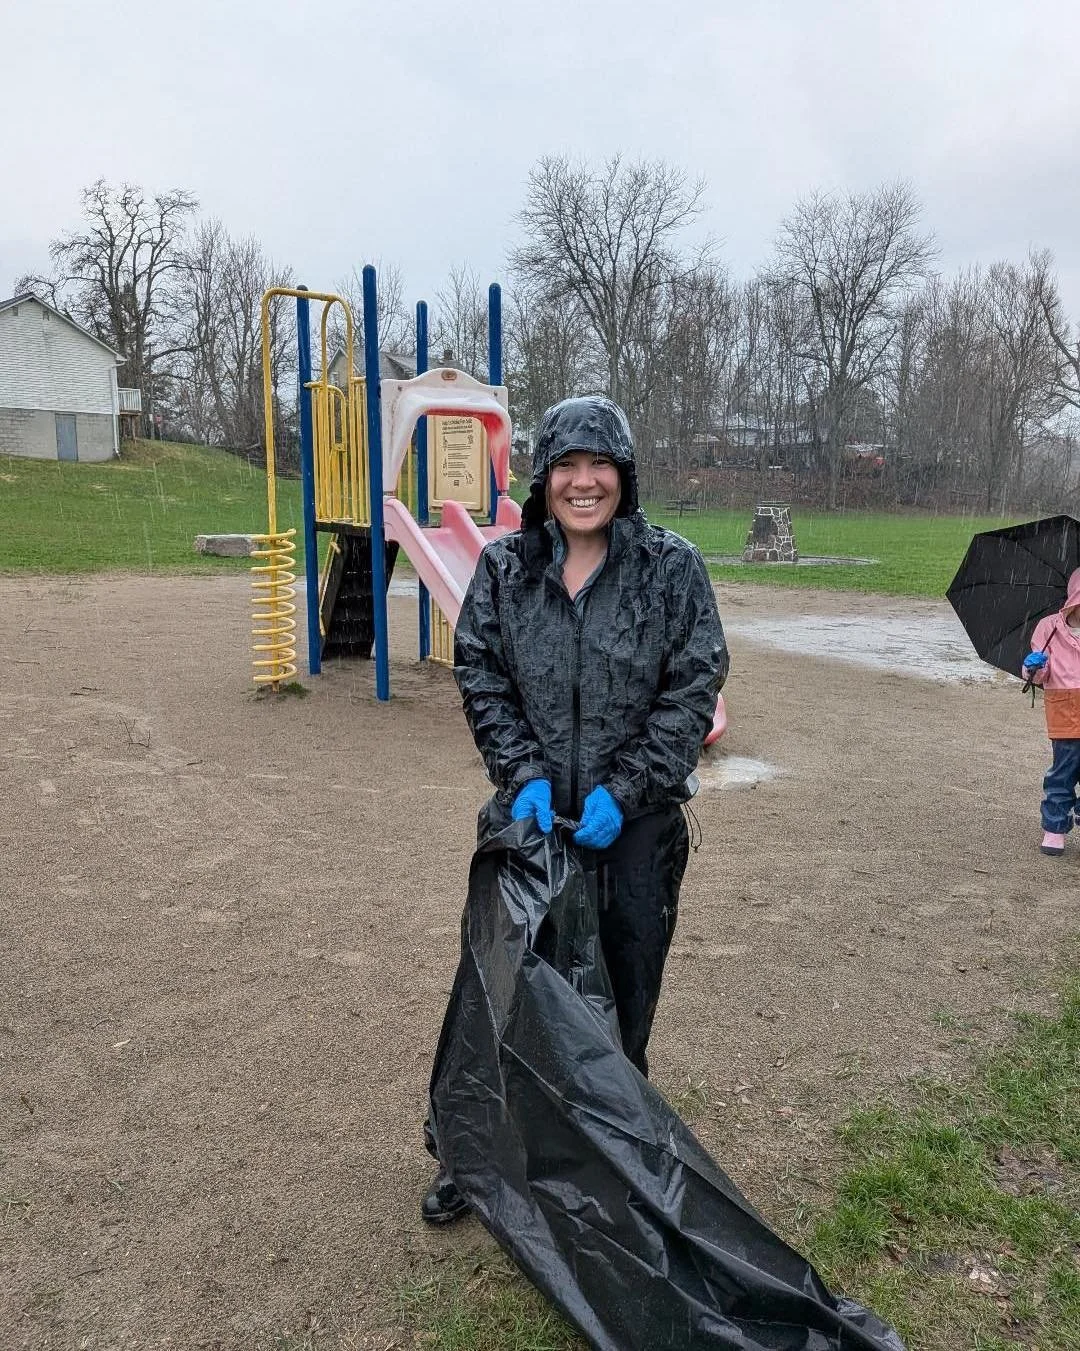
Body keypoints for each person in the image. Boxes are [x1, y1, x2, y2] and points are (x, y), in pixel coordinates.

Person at [421, 394, 729, 1224]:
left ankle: (616, 1157)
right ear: (544, 478)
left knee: (622, 1000)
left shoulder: (671, 569)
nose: (584, 482)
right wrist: (521, 770)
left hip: (634, 832)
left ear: (624, 476)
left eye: (600, 465)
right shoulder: (505, 569)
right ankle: (477, 1148)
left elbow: (693, 684)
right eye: (568, 465)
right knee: (505, 990)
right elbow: (479, 667)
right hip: (531, 827)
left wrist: (626, 788)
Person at [1022, 566, 1080, 856]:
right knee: (1063, 771)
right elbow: (1039, 676)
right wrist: (1034, 667)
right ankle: (1054, 827)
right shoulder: (1048, 628)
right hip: (1065, 710)